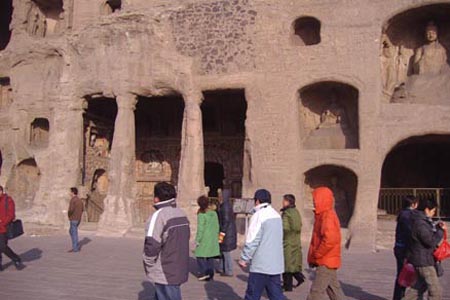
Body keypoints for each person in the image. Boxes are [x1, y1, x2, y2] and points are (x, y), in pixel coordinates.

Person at [143, 182, 190, 300]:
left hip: (165, 268)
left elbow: (152, 244)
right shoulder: (181, 213)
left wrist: (148, 263)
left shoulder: (159, 216)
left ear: (156, 198)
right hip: (179, 264)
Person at [239, 189, 284, 300]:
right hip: (275, 265)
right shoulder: (276, 215)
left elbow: (252, 240)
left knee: (252, 295)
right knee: (276, 295)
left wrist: (244, 258)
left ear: (257, 201)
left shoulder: (258, 215)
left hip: (260, 265)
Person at [307, 187, 345, 300]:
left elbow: (330, 240)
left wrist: (318, 254)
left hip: (325, 259)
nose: (313, 201)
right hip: (327, 259)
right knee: (334, 291)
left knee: (315, 293)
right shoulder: (322, 215)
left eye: (315, 198)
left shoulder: (327, 216)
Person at [403, 197, 446, 300]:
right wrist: (440, 231)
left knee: (418, 288)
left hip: (423, 258)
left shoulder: (422, 221)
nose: (434, 213)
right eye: (433, 211)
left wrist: (437, 229)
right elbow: (430, 241)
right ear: (427, 209)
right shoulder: (420, 223)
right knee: (435, 291)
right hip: (423, 261)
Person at [393, 195, 418, 300]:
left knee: (402, 273)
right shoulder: (407, 215)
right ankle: (399, 297)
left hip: (400, 247)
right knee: (403, 274)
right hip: (404, 249)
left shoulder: (403, 214)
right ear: (413, 204)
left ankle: (399, 296)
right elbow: (409, 232)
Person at [281, 194, 305, 292]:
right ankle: (299, 278)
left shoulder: (287, 213)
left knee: (286, 265)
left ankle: (288, 286)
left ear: (288, 202)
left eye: (284, 200)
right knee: (292, 263)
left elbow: (285, 228)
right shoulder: (296, 212)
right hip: (296, 241)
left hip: (288, 241)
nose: (282, 202)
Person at [195, 195, 220, 281]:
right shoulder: (214, 213)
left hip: (204, 238)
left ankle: (204, 272)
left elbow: (200, 228)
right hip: (212, 237)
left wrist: (197, 240)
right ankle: (210, 274)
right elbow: (217, 225)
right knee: (210, 256)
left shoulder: (201, 214)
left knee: (199, 255)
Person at [0, 186, 24, 271]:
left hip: (3, 228)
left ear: (1, 191)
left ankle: (16, 258)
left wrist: (2, 222)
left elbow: (11, 215)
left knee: (2, 246)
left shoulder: (8, 200)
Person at [217, 189, 237, 277]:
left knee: (226, 252)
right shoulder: (224, 205)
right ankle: (222, 268)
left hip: (227, 233)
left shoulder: (225, 206)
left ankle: (229, 270)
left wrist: (222, 232)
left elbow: (225, 220)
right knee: (222, 250)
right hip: (228, 232)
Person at [67, 187, 84, 253]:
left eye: (70, 192)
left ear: (73, 192)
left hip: (73, 218)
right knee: (71, 231)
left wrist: (69, 215)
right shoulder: (80, 200)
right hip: (78, 219)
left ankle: (75, 248)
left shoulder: (73, 200)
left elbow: (71, 210)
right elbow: (82, 209)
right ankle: (75, 244)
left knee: (74, 233)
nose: (69, 193)